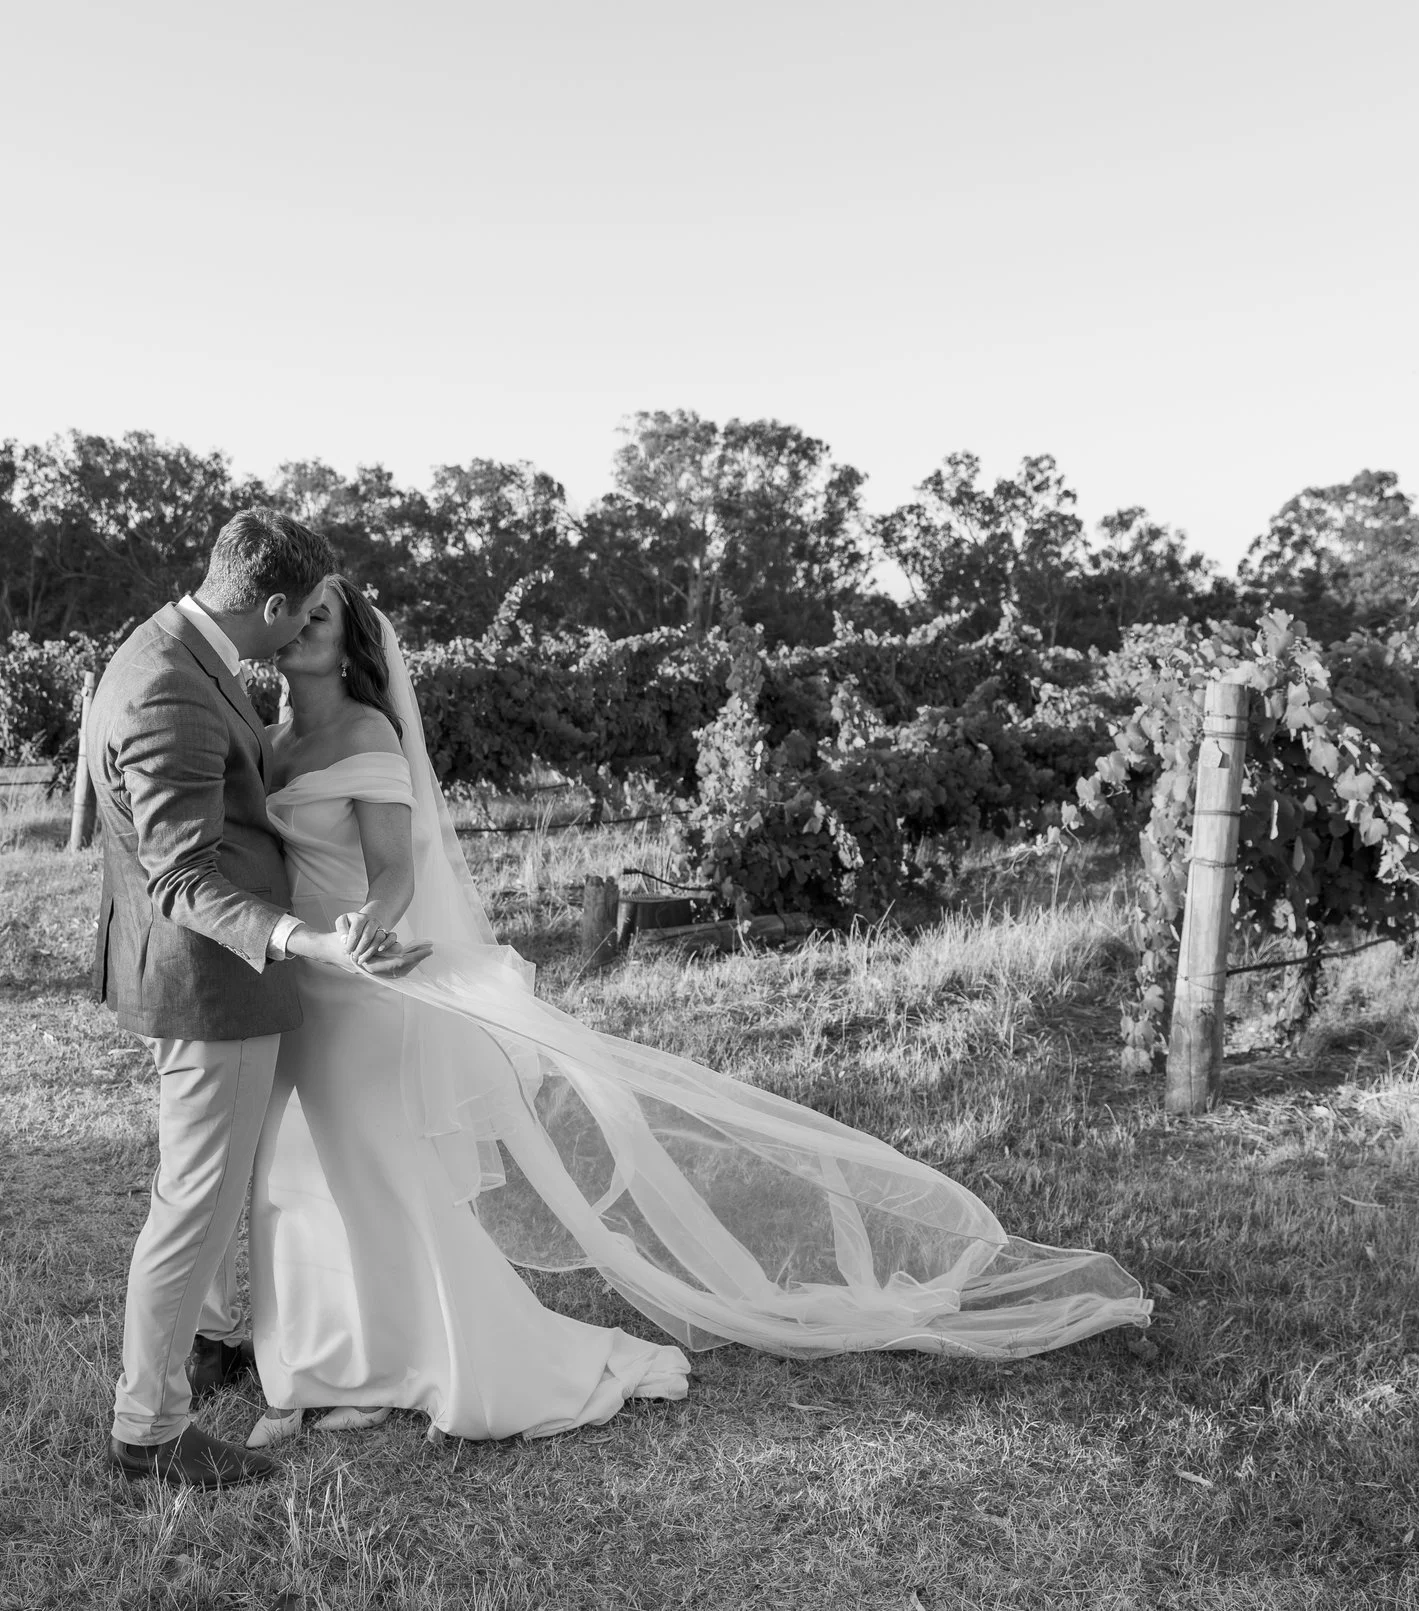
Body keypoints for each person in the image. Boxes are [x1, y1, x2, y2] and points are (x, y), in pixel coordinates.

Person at [240, 578, 1151, 1447]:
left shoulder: (367, 730)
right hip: (293, 978)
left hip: (364, 977)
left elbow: (397, 867)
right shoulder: (271, 734)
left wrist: (372, 922)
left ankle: (435, 1358)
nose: (306, 627)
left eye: (325, 615)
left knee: (379, 1176)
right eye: (298, 614)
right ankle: (341, 1359)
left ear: (350, 635)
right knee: (304, 1174)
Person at [86, 512, 429, 1489]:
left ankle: (213, 1338)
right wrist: (304, 937)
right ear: (271, 606)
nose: (304, 631)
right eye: (300, 615)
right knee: (193, 1200)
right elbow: (183, 876)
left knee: (218, 1179)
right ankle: (149, 1426)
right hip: (216, 979)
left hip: (209, 976)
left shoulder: (163, 647)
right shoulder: (172, 691)